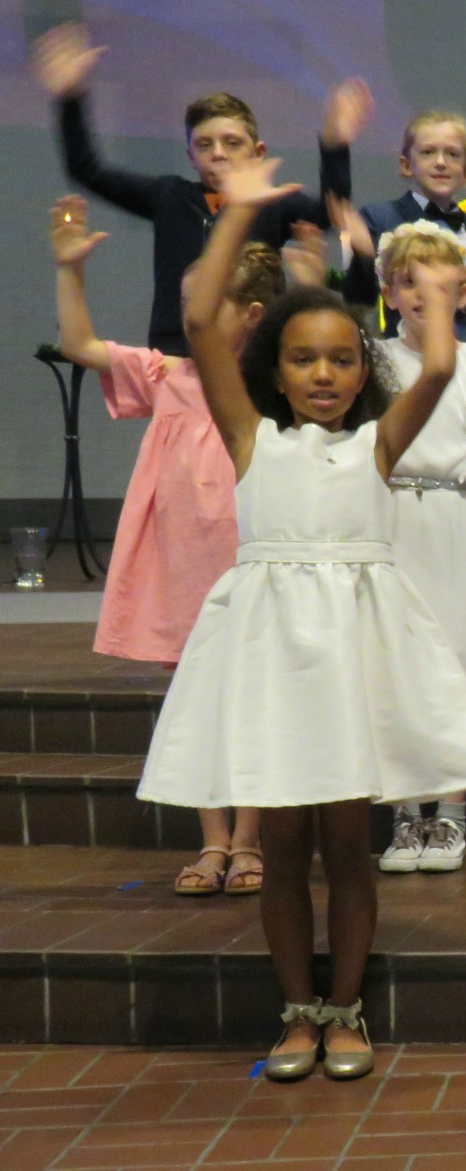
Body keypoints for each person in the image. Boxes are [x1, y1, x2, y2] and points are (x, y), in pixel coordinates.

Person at [136, 157, 466, 1082]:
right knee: (289, 837)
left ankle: (344, 1006)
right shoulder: (252, 436)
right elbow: (196, 321)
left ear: (362, 368)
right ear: (275, 364)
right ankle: (294, 1009)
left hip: (347, 654)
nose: (324, 373)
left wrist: (427, 293)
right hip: (271, 652)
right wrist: (245, 212)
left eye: (343, 358)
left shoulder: (377, 444)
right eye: (304, 358)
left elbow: (434, 365)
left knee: (346, 840)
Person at [50, 194, 278, 897]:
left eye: (207, 299)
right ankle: (212, 839)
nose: (191, 313)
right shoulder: (166, 376)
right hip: (186, 566)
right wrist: (71, 273)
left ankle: (251, 837)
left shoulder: (269, 386)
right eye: (187, 299)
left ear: (253, 315)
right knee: (200, 699)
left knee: (256, 698)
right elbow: (81, 346)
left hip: (251, 556)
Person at [340, 212, 466, 875]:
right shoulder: (374, 359)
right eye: (408, 282)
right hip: (392, 517)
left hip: (457, 516)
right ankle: (403, 812)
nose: (421, 295)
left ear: (464, 292)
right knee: (395, 667)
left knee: (450, 670)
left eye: (439, 283)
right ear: (389, 291)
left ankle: (449, 811)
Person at [31, 21, 363, 355]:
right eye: (205, 145)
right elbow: (88, 169)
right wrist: (70, 99)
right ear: (191, 156)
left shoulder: (274, 205)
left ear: (258, 152)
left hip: (255, 357)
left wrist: (335, 145)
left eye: (232, 143)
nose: (218, 153)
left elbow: (332, 213)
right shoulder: (169, 196)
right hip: (177, 354)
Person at [340, 111, 466, 344]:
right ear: (407, 164)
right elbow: (358, 301)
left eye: (452, 154)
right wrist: (363, 257)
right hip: (406, 356)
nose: (441, 163)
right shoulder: (380, 219)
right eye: (428, 152)